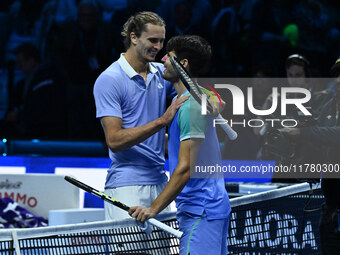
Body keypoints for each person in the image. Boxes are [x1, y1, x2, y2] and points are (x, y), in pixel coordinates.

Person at [129, 35, 231, 255]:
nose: (163, 59)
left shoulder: (191, 106)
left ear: (183, 64)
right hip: (205, 208)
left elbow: (184, 169)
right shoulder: (194, 98)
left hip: (202, 210)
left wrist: (152, 209)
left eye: (168, 56)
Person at [93, 11, 189, 221]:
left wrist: (214, 98)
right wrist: (163, 121)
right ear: (133, 37)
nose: (158, 47)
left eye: (161, 41)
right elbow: (114, 140)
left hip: (161, 184)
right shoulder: (110, 79)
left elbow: (192, 92)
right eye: (152, 40)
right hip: (126, 185)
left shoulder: (160, 72)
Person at [280, 57, 340, 254]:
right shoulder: (330, 106)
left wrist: (304, 133)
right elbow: (318, 144)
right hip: (332, 208)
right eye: (336, 75)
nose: (338, 80)